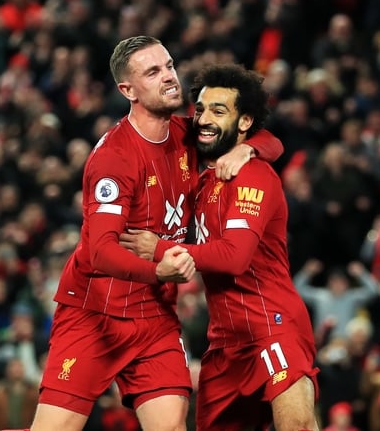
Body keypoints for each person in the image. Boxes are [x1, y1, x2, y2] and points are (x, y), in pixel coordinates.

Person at [31, 36, 284, 431]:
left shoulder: (186, 135)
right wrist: (159, 271)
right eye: (153, 72)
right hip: (94, 314)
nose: (169, 77)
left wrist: (247, 150)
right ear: (127, 90)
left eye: (168, 65)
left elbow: (267, 136)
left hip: (155, 318)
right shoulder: (114, 159)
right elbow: (100, 251)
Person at [120, 64, 319, 430]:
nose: (204, 118)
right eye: (200, 109)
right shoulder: (199, 170)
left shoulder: (252, 174)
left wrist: (159, 249)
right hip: (224, 343)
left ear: (244, 122)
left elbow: (234, 257)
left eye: (218, 110)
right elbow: (271, 141)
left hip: (272, 326)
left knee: (298, 426)